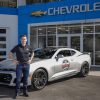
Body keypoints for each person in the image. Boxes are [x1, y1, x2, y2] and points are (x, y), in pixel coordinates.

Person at [9, 35, 34, 99]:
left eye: (25, 39)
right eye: (22, 39)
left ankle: (25, 92)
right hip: (19, 65)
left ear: (26, 40)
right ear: (20, 40)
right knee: (18, 80)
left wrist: (30, 59)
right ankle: (17, 92)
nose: (24, 40)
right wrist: (13, 60)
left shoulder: (29, 47)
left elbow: (33, 53)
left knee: (25, 79)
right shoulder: (17, 47)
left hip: (27, 65)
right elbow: (10, 53)